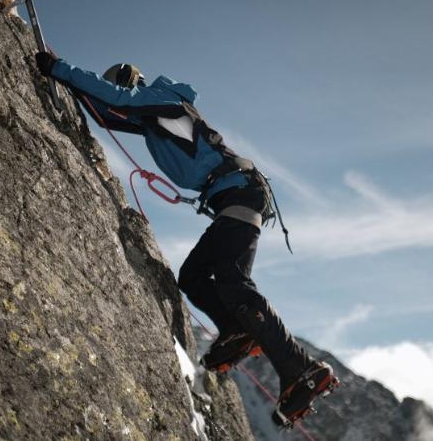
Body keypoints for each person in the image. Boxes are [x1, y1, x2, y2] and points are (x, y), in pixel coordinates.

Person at [36, 51, 338, 425]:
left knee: (233, 279)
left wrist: (57, 67)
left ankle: (303, 370)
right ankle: (237, 329)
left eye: (120, 85)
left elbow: (116, 100)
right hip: (232, 196)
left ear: (130, 82)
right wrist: (70, 86)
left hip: (239, 193)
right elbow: (106, 112)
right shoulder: (152, 118)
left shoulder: (163, 100)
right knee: (193, 276)